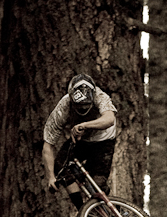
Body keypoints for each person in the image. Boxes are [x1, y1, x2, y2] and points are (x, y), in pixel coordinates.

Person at [42, 73, 117, 209]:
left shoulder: (100, 96)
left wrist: (85, 125)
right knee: (60, 167)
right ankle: (82, 210)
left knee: (97, 183)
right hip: (82, 141)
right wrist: (51, 177)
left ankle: (112, 207)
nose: (83, 109)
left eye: (86, 105)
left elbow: (109, 119)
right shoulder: (63, 106)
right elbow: (48, 144)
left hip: (103, 140)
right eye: (79, 106)